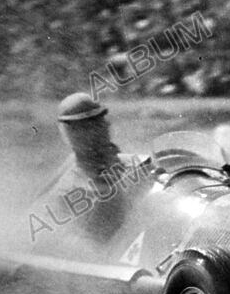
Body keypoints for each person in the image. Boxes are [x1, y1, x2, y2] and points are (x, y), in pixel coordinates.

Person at [50, 92, 154, 242]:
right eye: (89, 125)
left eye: (100, 120)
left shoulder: (136, 163)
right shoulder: (68, 190)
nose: (102, 127)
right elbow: (90, 242)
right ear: (71, 132)